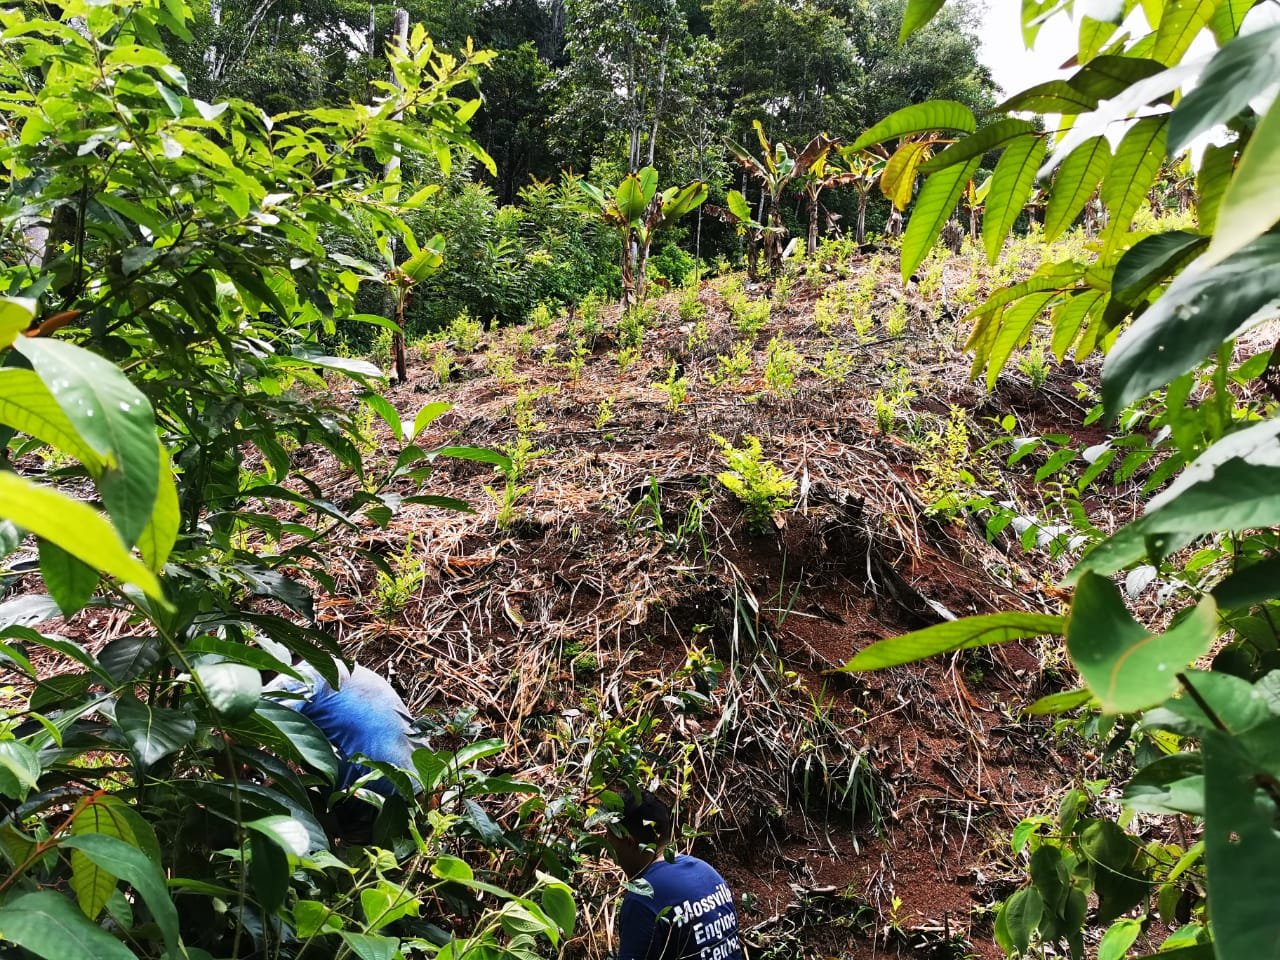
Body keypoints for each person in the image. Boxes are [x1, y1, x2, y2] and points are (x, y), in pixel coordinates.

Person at [264, 659, 424, 838]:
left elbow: (236, 725)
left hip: (373, 798)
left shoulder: (296, 678)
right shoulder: (348, 668)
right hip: (423, 787)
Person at [604, 791, 745, 960]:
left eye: (609, 838)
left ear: (629, 841)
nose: (609, 851)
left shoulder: (642, 899)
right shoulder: (707, 872)